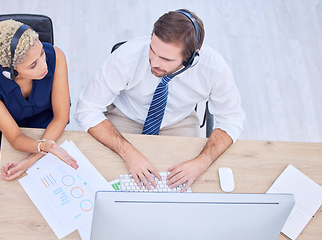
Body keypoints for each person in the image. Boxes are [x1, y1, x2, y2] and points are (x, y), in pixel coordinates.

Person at [75, 9, 245, 192]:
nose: (154, 62)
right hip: (125, 117)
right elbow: (86, 109)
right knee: (105, 180)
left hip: (179, 121)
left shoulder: (214, 69)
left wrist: (202, 163)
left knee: (184, 188)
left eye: (165, 58)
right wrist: (128, 152)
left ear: (191, 58)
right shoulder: (126, 57)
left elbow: (231, 119)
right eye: (152, 50)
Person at [0, 19, 78, 180]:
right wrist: (43, 147)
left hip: (45, 131)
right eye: (33, 65)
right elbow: (15, 138)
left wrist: (32, 159)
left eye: (42, 53)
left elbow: (61, 117)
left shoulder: (56, 56)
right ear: (10, 72)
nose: (45, 66)